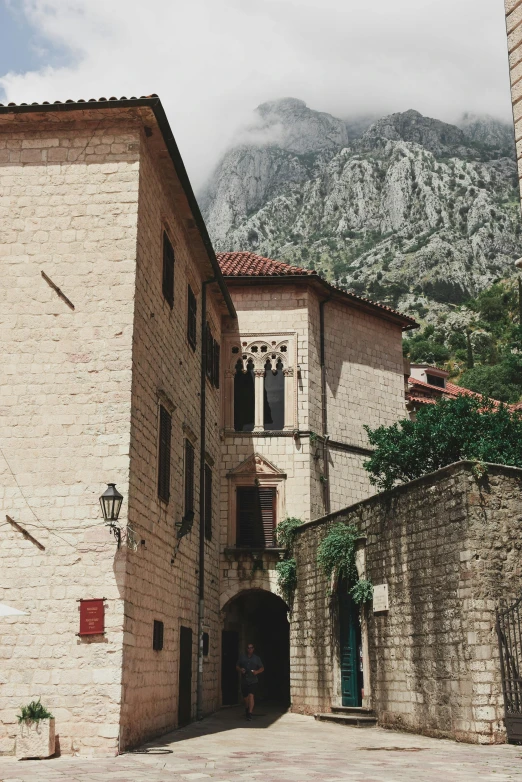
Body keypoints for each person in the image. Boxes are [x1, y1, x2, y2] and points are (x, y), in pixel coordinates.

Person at [236, 643, 264, 721]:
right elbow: (237, 666)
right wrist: (240, 670)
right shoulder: (242, 657)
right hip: (244, 680)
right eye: (248, 648)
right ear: (246, 649)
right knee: (246, 698)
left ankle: (250, 713)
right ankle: (247, 707)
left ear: (253, 649)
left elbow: (262, 668)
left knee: (251, 696)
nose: (250, 649)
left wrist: (257, 672)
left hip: (253, 680)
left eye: (251, 648)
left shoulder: (257, 658)